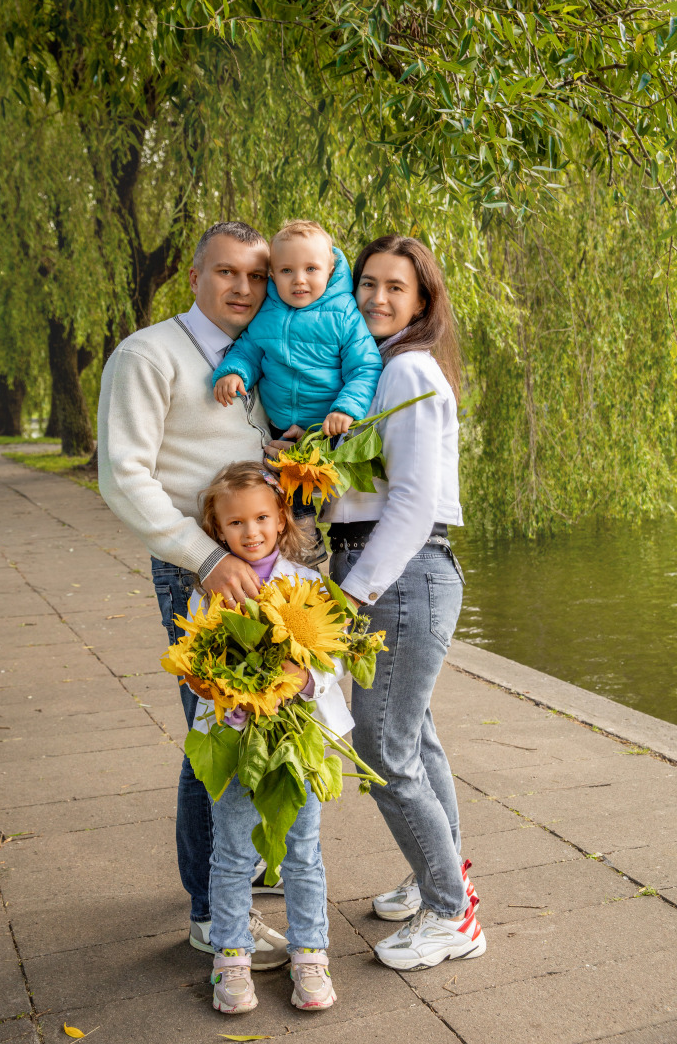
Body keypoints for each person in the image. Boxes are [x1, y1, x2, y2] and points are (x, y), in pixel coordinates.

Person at [98, 221, 294, 969]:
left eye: (255, 276)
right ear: (193, 274)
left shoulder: (256, 356)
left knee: (254, 720)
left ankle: (235, 868)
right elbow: (124, 475)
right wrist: (205, 558)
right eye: (227, 273)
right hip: (198, 570)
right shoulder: (149, 354)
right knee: (215, 733)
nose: (243, 288)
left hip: (254, 565)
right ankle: (213, 913)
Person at [324, 234, 486, 970]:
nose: (377, 298)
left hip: (401, 571)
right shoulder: (381, 370)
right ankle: (440, 877)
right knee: (412, 735)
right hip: (392, 568)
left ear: (422, 301)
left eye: (396, 287)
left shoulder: (410, 369)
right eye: (367, 284)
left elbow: (415, 502)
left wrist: (348, 594)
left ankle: (451, 915)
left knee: (382, 743)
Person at [191, 461, 353, 1014]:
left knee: (302, 850)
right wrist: (228, 696)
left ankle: (311, 952)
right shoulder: (209, 592)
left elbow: (331, 659)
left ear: (282, 518)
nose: (251, 531)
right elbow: (199, 663)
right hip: (236, 740)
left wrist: (303, 678)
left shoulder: (307, 584)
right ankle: (230, 958)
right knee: (232, 851)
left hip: (296, 738)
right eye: (235, 523)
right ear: (216, 529)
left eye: (261, 517)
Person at [212, 220, 383, 560]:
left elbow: (364, 367)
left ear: (331, 269)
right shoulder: (268, 313)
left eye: (310, 269)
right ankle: (289, 553)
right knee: (278, 490)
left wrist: (345, 409)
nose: (299, 280)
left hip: (324, 426)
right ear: (273, 274)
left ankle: (310, 549)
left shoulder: (344, 314)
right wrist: (234, 372)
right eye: (287, 270)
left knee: (308, 489)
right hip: (279, 425)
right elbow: (249, 349)